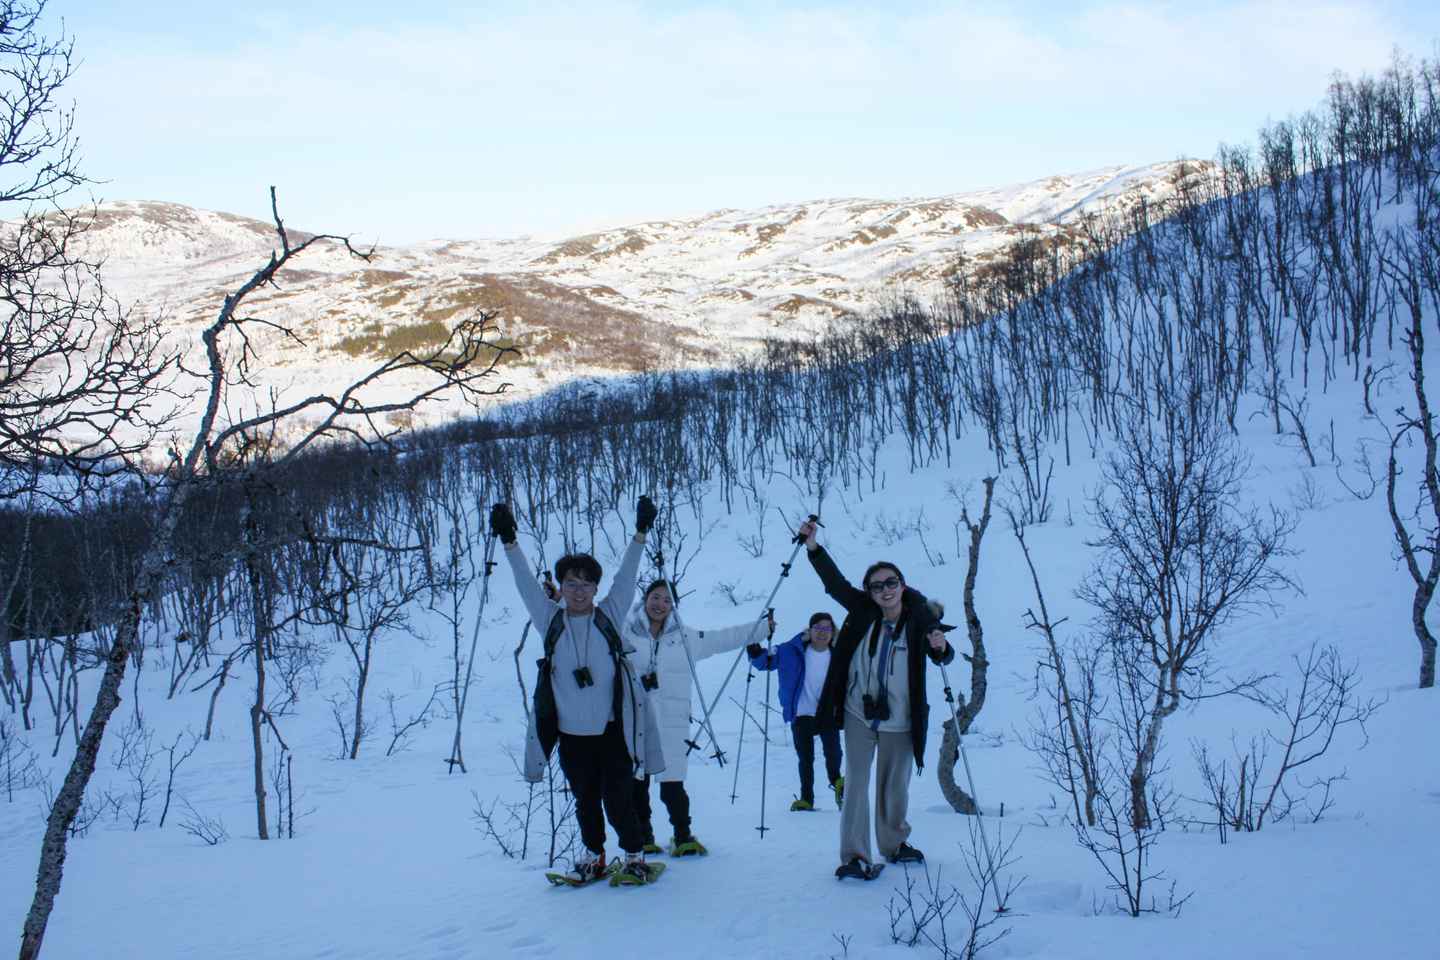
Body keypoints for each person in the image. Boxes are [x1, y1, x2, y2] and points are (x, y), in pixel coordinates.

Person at [491, 496, 665, 885]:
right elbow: (524, 583)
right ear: (562, 586)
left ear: (596, 588)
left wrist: (641, 533)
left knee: (618, 799)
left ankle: (634, 855)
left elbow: (627, 577)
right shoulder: (550, 620)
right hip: (571, 736)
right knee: (584, 800)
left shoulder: (609, 615)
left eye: (586, 584)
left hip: (612, 732)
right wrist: (509, 540)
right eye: (571, 583)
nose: (579, 591)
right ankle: (593, 856)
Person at [795, 517, 955, 880]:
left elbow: (941, 655)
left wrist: (941, 647)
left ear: (902, 585)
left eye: (891, 582)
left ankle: (894, 844)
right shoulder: (862, 610)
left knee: (894, 786)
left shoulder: (919, 621)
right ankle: (854, 855)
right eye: (876, 585)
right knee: (855, 783)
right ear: (868, 591)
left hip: (901, 717)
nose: (885, 590)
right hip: (858, 712)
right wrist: (813, 548)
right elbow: (834, 584)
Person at [624, 579, 772, 855]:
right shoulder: (625, 634)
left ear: (673, 606)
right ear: (645, 599)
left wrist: (761, 629)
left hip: (673, 722)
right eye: (655, 597)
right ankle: (644, 838)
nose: (660, 604)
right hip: (635, 720)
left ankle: (683, 836)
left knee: (673, 783)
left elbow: (722, 638)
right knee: (637, 782)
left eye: (667, 600)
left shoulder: (685, 638)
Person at [747, 612, 844, 812]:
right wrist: (755, 642)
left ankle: (838, 785)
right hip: (801, 712)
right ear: (809, 630)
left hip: (828, 712)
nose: (822, 632)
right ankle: (806, 799)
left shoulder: (840, 654)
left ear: (833, 632)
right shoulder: (790, 650)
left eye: (827, 628)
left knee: (833, 752)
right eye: (818, 628)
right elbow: (764, 662)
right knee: (806, 758)